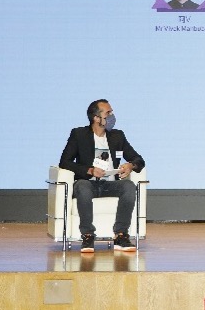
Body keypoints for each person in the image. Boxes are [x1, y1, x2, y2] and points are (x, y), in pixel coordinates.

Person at [59, 99, 146, 253]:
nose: (112, 116)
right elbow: (64, 162)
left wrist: (130, 165)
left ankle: (121, 235)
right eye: (108, 113)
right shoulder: (79, 134)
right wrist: (89, 170)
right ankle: (87, 235)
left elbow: (139, 159)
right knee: (83, 186)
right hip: (88, 183)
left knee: (128, 186)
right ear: (96, 118)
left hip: (110, 184)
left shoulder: (117, 136)